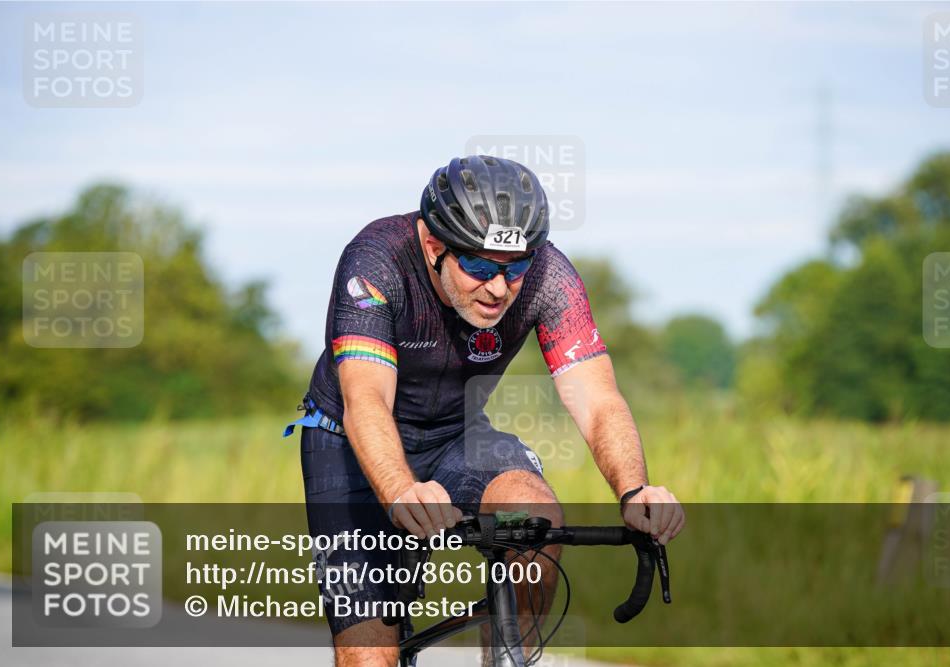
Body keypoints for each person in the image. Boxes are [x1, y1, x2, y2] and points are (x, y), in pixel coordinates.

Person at [287, 155, 685, 666]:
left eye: (514, 268)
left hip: (457, 432)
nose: (498, 288)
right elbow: (367, 399)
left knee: (534, 518)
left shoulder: (549, 276)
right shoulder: (376, 261)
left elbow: (598, 398)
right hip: (347, 439)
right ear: (434, 245)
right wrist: (401, 490)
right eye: (477, 266)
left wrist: (634, 490)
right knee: (369, 656)